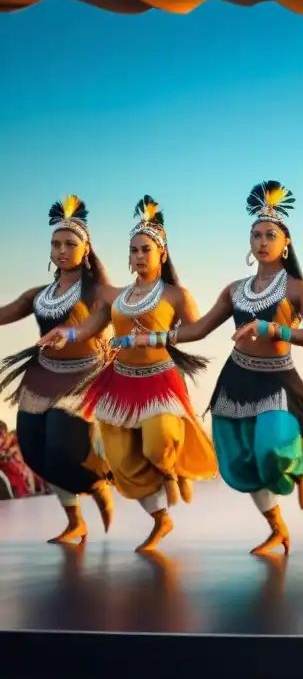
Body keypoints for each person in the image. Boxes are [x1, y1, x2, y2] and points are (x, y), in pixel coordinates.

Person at [153, 181, 303, 555]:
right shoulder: (234, 290)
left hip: (277, 383)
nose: (261, 241)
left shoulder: (297, 289)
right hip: (236, 381)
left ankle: (301, 462)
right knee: (238, 462)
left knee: (272, 450)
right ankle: (276, 527)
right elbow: (199, 328)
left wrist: (273, 328)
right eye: (255, 234)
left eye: (270, 234)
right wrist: (153, 338)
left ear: (285, 243)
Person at [39, 196, 219, 552]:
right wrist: (65, 334)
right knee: (120, 458)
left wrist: (153, 337)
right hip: (119, 381)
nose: (138, 256)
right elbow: (91, 326)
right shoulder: (118, 297)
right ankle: (160, 519)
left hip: (159, 380)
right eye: (133, 250)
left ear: (161, 255)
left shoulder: (176, 295)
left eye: (145, 250)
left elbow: (198, 330)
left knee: (158, 442)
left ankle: (172, 468)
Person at [0, 196, 115, 538]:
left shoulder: (99, 292)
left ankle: (97, 485)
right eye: (55, 244)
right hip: (41, 376)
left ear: (85, 248)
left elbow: (102, 321)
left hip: (83, 377)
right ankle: (74, 519)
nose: (62, 250)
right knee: (35, 455)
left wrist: (71, 333)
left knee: (62, 450)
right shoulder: (38, 295)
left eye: (70, 243)